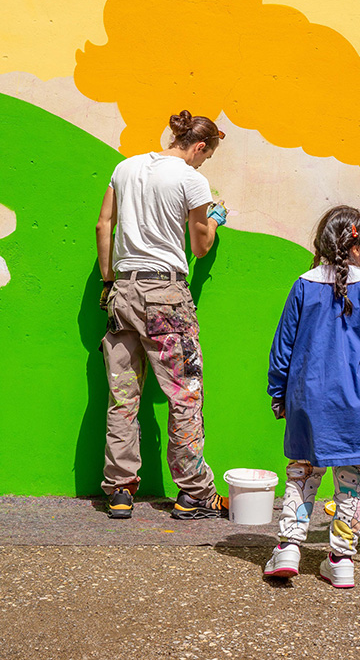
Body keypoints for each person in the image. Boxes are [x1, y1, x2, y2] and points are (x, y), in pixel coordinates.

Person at [96, 110, 229, 520]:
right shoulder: (191, 179)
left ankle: (119, 489)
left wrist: (107, 280)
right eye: (205, 156)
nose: (203, 163)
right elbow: (201, 245)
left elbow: (104, 225)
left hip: (123, 291)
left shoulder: (126, 166)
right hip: (166, 296)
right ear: (199, 146)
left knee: (122, 396)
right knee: (184, 394)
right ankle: (194, 492)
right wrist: (217, 218)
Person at [263, 205, 360, 588]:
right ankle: (341, 559)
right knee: (353, 482)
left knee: (301, 475)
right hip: (358, 404)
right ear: (359, 245)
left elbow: (283, 348)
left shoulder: (303, 285)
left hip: (308, 400)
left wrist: (278, 393)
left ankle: (289, 547)